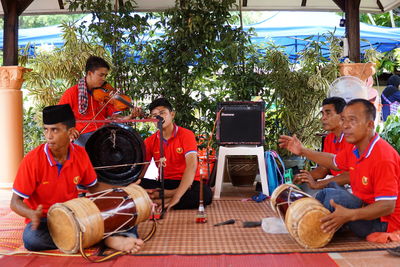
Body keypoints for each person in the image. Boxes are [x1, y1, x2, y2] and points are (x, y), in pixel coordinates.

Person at [10, 104, 143, 253]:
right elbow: (15, 202)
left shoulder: (80, 154)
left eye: (55, 130)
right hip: (45, 221)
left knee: (129, 209)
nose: (48, 136)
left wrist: (124, 192)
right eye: (45, 129)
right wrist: (30, 213)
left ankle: (92, 236)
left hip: (75, 214)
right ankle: (106, 238)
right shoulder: (32, 160)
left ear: (70, 132)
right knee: (32, 240)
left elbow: (94, 186)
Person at [279, 99, 400, 238]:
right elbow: (333, 161)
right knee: (329, 191)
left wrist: (350, 215)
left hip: (384, 223)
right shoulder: (356, 148)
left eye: (352, 120)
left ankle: (312, 230)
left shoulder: (383, 157)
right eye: (343, 120)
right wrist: (302, 150)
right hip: (364, 208)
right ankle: (309, 222)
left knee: (333, 197)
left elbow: (387, 206)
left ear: (370, 125)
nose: (345, 126)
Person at [139, 98, 212, 210]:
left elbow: (191, 166)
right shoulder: (149, 141)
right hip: (165, 184)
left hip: (189, 183)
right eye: (154, 115)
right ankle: (166, 196)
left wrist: (176, 196)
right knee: (134, 185)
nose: (158, 117)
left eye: (162, 113)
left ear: (172, 114)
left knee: (205, 194)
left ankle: (161, 199)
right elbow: (141, 171)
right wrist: (134, 185)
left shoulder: (186, 135)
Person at [58, 56, 140, 146]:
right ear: (89, 73)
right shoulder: (72, 93)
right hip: (83, 135)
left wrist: (130, 116)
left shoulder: (105, 92)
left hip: (104, 133)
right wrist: (69, 129)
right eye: (101, 75)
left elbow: (113, 119)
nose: (104, 79)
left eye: (105, 75)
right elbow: (59, 117)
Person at [294, 97, 352, 194]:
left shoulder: (352, 139)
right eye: (323, 114)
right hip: (337, 186)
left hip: (352, 189)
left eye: (328, 113)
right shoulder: (329, 138)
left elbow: (350, 176)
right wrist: (304, 177)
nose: (323, 118)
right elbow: (323, 169)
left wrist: (318, 184)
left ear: (342, 116)